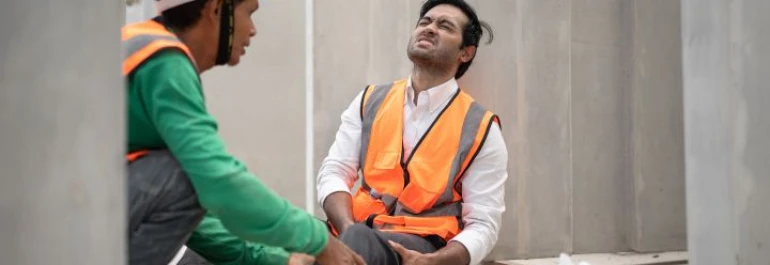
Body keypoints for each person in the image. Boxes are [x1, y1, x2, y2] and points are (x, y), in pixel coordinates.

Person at [122, 0, 365, 264]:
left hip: (89, 214)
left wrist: (278, 260)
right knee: (190, 178)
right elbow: (218, 183)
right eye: (249, 13)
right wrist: (318, 239)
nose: (252, 30)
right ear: (216, 10)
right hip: (83, 218)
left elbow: (196, 217)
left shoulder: (142, 45)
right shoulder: (164, 62)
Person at [316, 0, 508, 265]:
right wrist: (346, 227)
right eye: (425, 22)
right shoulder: (370, 100)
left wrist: (435, 262)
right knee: (287, 232)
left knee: (357, 240)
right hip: (354, 229)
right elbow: (334, 171)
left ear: (465, 53)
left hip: (421, 246)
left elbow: (483, 224)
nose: (430, 29)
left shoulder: (481, 128)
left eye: (445, 26)